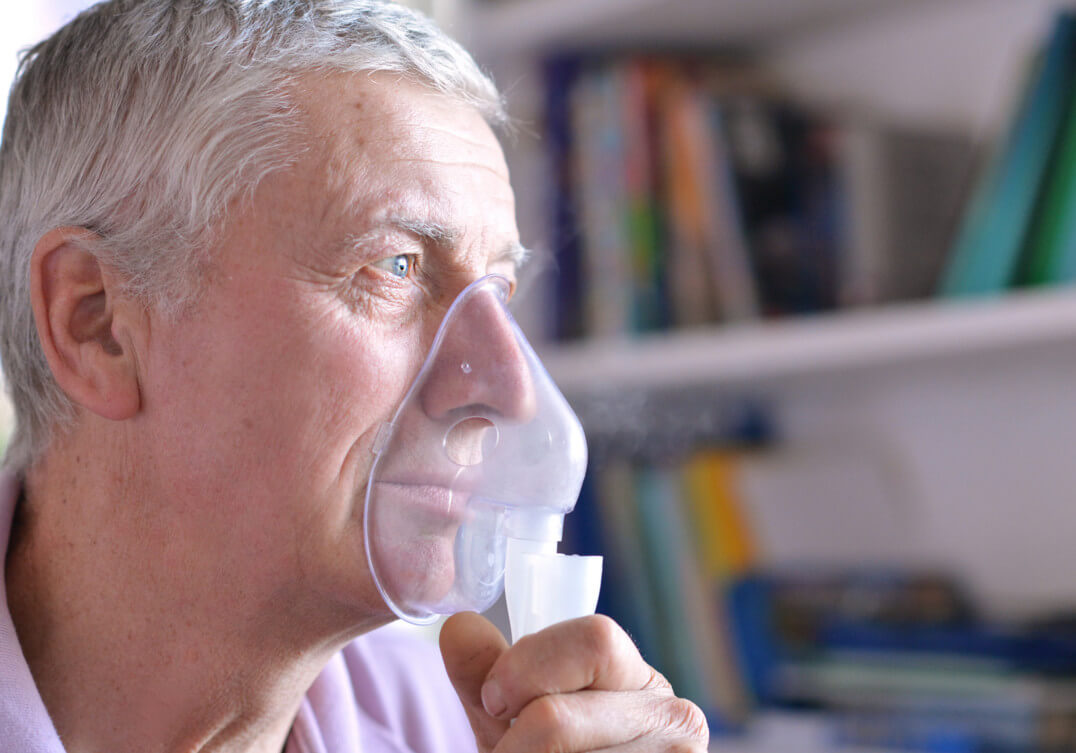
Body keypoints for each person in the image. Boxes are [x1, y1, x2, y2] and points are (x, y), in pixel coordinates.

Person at [0, 1, 710, 752]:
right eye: (395, 266)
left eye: (498, 291)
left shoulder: (458, 725)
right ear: (98, 324)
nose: (512, 388)